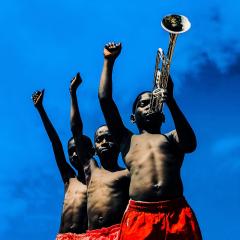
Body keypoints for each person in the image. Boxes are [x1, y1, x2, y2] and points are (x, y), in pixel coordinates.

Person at [98, 42, 202, 240]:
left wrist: (170, 99)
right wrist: (108, 61)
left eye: (154, 103)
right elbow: (105, 99)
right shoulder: (126, 139)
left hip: (177, 213)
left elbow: (190, 144)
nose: (149, 106)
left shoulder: (172, 137)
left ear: (163, 116)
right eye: (143, 104)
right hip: (139, 216)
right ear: (133, 117)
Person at [69, 73, 130, 240]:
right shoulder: (91, 169)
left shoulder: (127, 174)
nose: (104, 142)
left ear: (118, 144)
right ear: (94, 148)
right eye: (99, 139)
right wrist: (73, 94)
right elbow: (76, 131)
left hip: (120, 234)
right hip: (92, 236)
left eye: (109, 138)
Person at [32, 89, 88, 239]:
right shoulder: (69, 179)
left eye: (79, 150)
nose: (75, 154)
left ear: (91, 151)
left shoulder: (97, 182)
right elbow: (55, 143)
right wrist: (40, 109)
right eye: (71, 152)